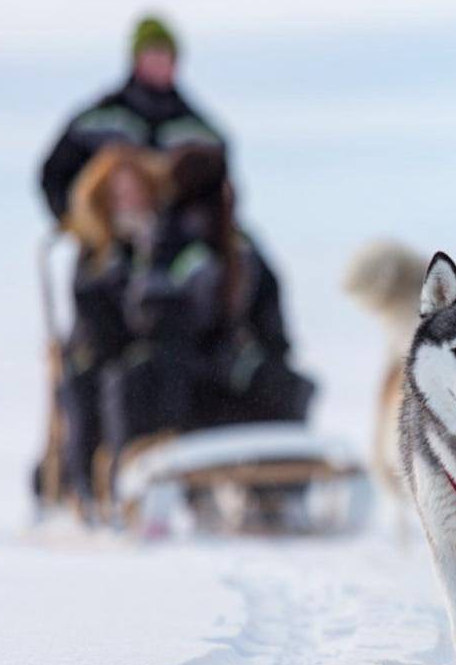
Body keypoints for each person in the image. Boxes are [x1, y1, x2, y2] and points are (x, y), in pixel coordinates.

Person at [100, 148, 315, 474]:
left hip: (211, 374)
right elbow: (155, 318)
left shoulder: (232, 248)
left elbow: (268, 319)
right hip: (187, 379)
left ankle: (276, 484)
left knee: (279, 383)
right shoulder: (171, 243)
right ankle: (278, 488)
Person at [50, 144, 171, 515]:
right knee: (90, 383)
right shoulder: (95, 253)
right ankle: (91, 491)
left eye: (134, 190)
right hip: (102, 353)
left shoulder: (166, 242)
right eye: (119, 193)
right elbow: (91, 313)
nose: (129, 201)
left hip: (159, 353)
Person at [39, 15, 225, 223]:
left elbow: (220, 187)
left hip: (172, 236)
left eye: (166, 55)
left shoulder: (198, 131)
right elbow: (54, 173)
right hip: (109, 235)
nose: (160, 62)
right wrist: (75, 221)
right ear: (136, 59)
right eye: (152, 54)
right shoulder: (98, 120)